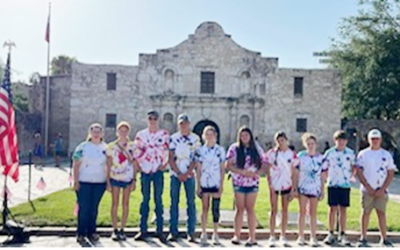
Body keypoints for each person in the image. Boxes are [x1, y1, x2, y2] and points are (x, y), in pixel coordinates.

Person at [355, 129, 396, 247]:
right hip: (367, 189)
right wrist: (367, 186)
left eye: (377, 139)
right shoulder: (363, 154)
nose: (375, 141)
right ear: (369, 140)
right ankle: (363, 237)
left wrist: (383, 188)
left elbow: (390, 172)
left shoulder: (386, 155)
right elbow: (359, 171)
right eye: (372, 139)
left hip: (381, 189)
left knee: (381, 213)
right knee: (365, 212)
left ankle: (384, 237)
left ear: (380, 140)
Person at [133, 110, 170, 242]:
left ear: (158, 120)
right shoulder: (140, 135)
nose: (152, 121)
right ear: (147, 120)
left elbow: (167, 151)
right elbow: (136, 153)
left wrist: (164, 164)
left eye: (155, 118)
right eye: (150, 118)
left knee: (158, 200)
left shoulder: (164, 134)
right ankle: (142, 229)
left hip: (158, 171)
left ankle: (160, 230)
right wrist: (139, 167)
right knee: (145, 200)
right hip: (145, 171)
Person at [226, 126, 266, 247]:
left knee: (250, 208)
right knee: (239, 208)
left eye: (246, 135)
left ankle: (252, 237)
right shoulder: (234, 148)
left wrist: (256, 174)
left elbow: (264, 164)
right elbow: (228, 165)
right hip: (239, 182)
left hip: (252, 182)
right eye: (242, 135)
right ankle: (237, 235)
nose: (244, 138)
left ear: (250, 136)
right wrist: (241, 172)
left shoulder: (257, 149)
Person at [72, 123, 108, 244]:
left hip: (99, 182)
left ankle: (92, 232)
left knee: (94, 208)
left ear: (102, 133)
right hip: (84, 181)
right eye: (94, 130)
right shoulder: (82, 147)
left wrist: (108, 182)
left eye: (99, 131)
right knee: (84, 208)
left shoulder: (106, 148)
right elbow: (76, 164)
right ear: (90, 132)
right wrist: (75, 181)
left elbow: (109, 166)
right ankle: (81, 233)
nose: (96, 133)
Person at [168, 114, 201, 242]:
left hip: (189, 173)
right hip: (175, 174)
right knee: (174, 202)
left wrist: (187, 173)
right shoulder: (173, 138)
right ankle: (173, 231)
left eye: (186, 123)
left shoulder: (195, 138)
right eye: (181, 123)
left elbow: (196, 157)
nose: (184, 125)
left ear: (189, 124)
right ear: (178, 124)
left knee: (190, 202)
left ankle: (191, 231)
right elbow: (170, 157)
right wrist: (178, 172)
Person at [293, 132, 327, 247]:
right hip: (303, 186)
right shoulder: (301, 156)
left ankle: (313, 236)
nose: (310, 146)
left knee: (313, 212)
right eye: (308, 144)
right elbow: (296, 172)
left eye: (312, 143)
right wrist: (295, 187)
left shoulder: (321, 158)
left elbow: (323, 175)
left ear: (316, 144)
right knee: (302, 212)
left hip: (315, 187)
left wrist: (322, 189)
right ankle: (301, 236)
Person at [322, 130, 356, 246]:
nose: (341, 142)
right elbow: (324, 168)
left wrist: (351, 176)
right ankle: (330, 232)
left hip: (344, 184)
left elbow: (354, 166)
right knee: (332, 209)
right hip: (333, 184)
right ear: (335, 141)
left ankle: (342, 233)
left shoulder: (350, 153)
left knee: (343, 209)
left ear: (346, 141)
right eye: (338, 140)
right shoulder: (329, 153)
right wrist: (328, 179)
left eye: (343, 140)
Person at [195, 126, 226, 246]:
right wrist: (198, 185)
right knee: (205, 208)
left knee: (215, 208)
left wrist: (221, 185)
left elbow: (223, 169)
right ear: (203, 136)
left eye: (211, 134)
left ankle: (215, 232)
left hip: (215, 180)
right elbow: (198, 168)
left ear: (215, 136)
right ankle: (204, 232)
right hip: (204, 181)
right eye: (207, 134)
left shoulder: (220, 150)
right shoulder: (200, 151)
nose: (209, 137)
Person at [265, 132, 297, 247]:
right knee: (274, 210)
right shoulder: (271, 154)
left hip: (286, 184)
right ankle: (272, 235)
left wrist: (294, 187)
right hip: (275, 184)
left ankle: (283, 235)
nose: (280, 142)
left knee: (285, 210)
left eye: (283, 140)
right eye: (278, 140)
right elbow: (268, 170)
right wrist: (269, 184)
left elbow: (294, 171)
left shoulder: (291, 154)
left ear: (286, 141)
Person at [106, 121, 137, 241]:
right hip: (115, 177)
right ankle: (114, 229)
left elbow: (134, 163)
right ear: (117, 132)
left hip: (127, 177)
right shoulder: (111, 146)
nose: (123, 133)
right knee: (115, 203)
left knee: (125, 203)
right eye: (121, 130)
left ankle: (122, 228)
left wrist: (134, 179)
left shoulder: (132, 146)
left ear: (128, 132)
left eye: (125, 130)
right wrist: (107, 180)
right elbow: (108, 164)